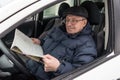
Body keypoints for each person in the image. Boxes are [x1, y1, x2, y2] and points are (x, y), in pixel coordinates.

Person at [26, 6, 97, 80]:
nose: (69, 24)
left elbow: (81, 72)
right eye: (67, 20)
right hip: (32, 67)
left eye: (74, 21)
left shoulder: (87, 45)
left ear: (84, 23)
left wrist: (58, 67)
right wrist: (40, 42)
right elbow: (47, 41)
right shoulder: (58, 29)